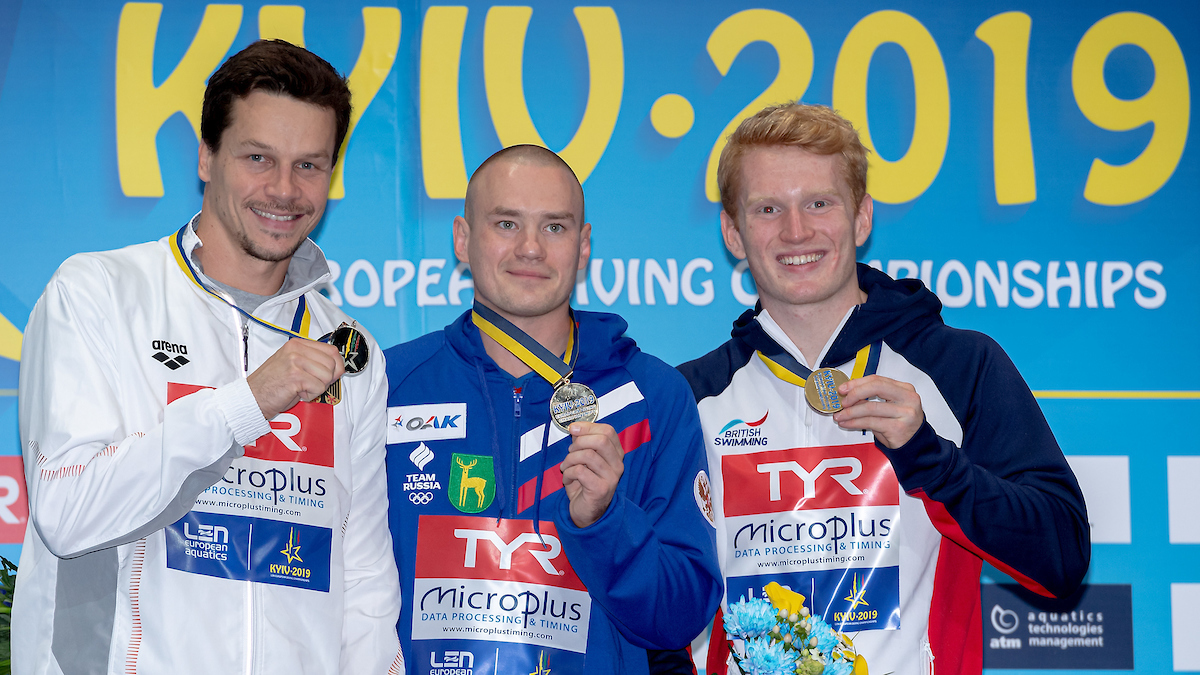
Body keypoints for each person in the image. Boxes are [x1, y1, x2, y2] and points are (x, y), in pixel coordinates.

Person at [13, 40, 403, 674]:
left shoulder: (349, 349)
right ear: (206, 157)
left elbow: (363, 581)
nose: (284, 189)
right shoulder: (98, 294)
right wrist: (245, 403)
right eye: (258, 158)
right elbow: (68, 512)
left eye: (309, 165)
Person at [676, 103, 1090, 675]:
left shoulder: (958, 365)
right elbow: (659, 610)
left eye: (819, 203)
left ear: (862, 218)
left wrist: (932, 460)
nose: (796, 231)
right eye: (768, 208)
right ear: (733, 232)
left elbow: (1061, 558)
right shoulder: (688, 397)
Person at [383, 145, 722, 674]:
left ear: (583, 246)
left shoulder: (651, 396)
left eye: (555, 227)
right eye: (506, 224)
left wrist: (605, 521)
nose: (531, 248)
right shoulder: (391, 386)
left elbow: (682, 617)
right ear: (462, 239)